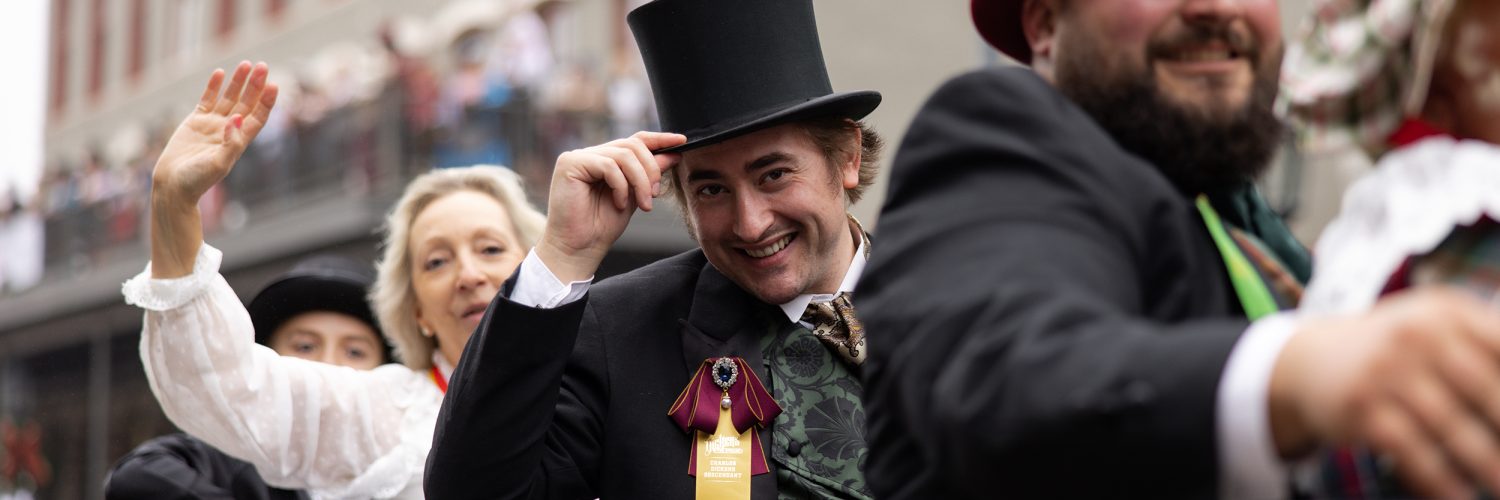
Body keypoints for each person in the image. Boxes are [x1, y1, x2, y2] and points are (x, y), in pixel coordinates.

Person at [856, 0, 1500, 498]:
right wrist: (1297, 376)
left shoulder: (1255, 236)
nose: (1217, 7)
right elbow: (1010, 377)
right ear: (1046, 23)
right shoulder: (1000, 140)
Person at [424, 0, 884, 497]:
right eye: (712, 190)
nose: (751, 225)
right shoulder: (618, 333)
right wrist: (562, 254)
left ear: (847, 157)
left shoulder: (944, 296)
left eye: (773, 175)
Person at [120, 61, 546, 499]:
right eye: (437, 262)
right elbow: (229, 386)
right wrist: (173, 206)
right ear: (417, 309)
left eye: (490, 249)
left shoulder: (589, 383)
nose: (469, 275)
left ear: (537, 269)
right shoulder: (381, 412)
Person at [106, 254, 389, 499]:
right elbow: (134, 478)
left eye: (355, 352)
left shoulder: (406, 465)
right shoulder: (231, 457)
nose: (328, 365)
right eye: (305, 346)